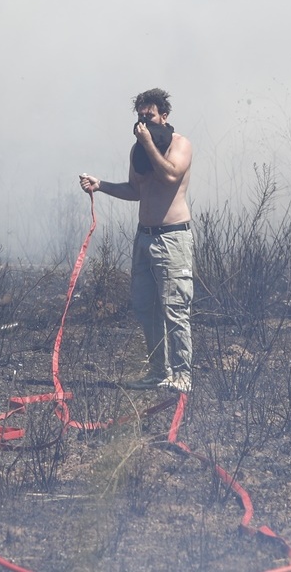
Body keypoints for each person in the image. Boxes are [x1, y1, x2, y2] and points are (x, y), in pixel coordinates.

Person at [79, 88, 194, 392]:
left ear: (164, 116)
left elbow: (170, 175)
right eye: (140, 116)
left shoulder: (180, 145)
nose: (144, 121)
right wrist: (100, 185)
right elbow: (135, 190)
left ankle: (182, 375)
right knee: (146, 307)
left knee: (174, 308)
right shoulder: (138, 151)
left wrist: (147, 143)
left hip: (172, 239)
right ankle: (158, 372)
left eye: (150, 115)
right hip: (144, 238)